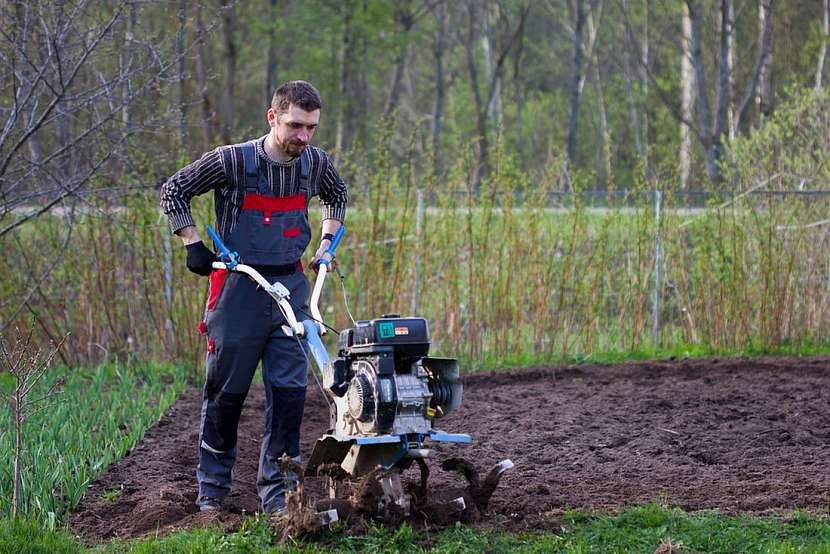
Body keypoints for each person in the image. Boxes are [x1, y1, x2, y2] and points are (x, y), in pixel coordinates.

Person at [159, 80, 347, 514]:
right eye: (296, 126)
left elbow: (337, 196)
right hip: (239, 288)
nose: (304, 136)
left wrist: (325, 244)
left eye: (312, 128)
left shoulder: (314, 164)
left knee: (289, 395)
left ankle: (279, 493)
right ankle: (212, 491)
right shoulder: (232, 161)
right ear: (273, 117)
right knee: (226, 394)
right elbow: (174, 190)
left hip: (291, 290)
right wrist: (191, 243)